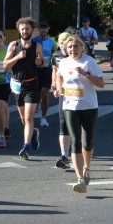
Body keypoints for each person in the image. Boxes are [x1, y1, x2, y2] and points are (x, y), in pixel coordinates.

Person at [53, 34, 104, 193]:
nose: (73, 49)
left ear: (82, 47)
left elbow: (101, 83)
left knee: (87, 143)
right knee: (75, 141)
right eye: (69, 47)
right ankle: (80, 179)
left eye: (76, 46)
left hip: (89, 106)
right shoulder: (64, 62)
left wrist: (86, 74)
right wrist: (59, 88)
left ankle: (87, 167)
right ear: (66, 49)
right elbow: (59, 76)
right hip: (70, 106)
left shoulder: (89, 62)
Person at [4, 16, 44, 160]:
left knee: (28, 117)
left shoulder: (37, 46)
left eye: (27, 29)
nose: (25, 31)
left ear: (31, 30)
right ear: (19, 30)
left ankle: (25, 147)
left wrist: (40, 61)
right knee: (23, 118)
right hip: (17, 84)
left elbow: (42, 63)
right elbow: (5, 65)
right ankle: (33, 133)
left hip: (32, 84)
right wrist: (18, 57)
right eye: (22, 29)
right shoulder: (13, 45)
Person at [50, 32, 73, 169]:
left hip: (80, 97)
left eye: (65, 42)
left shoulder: (81, 57)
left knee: (76, 127)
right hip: (64, 93)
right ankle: (64, 156)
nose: (62, 44)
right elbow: (55, 70)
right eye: (60, 42)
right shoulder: (56, 56)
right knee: (63, 123)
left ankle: (79, 152)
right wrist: (55, 84)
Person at [35, 21, 56, 127]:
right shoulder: (33, 41)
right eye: (41, 28)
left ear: (48, 29)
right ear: (38, 29)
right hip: (35, 70)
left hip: (47, 70)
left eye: (45, 28)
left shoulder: (52, 42)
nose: (43, 30)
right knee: (37, 93)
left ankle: (43, 118)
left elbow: (56, 57)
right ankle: (37, 103)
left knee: (45, 92)